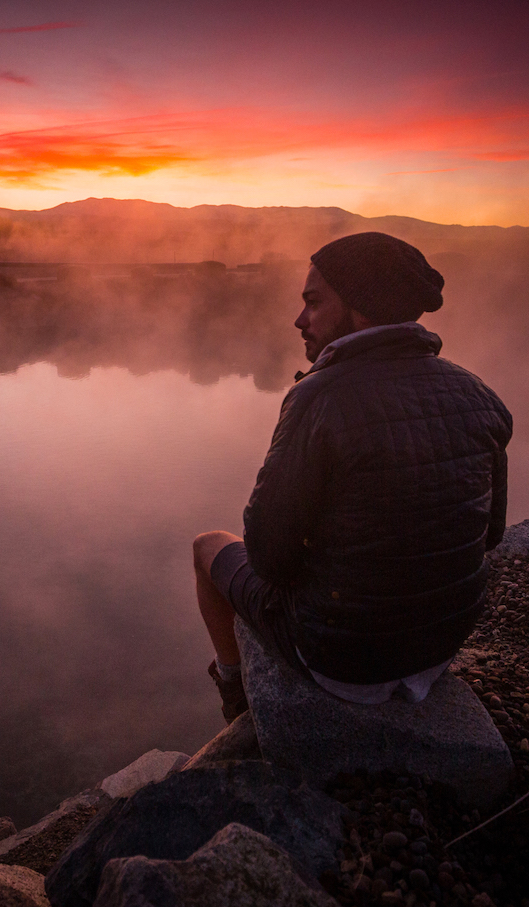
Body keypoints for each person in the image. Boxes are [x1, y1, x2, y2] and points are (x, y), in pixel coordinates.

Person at [193, 232, 511, 722]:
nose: (300, 320)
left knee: (208, 546)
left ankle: (236, 697)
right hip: (441, 644)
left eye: (314, 303)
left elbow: (268, 557)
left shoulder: (320, 397)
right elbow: (488, 536)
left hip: (343, 659)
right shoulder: (479, 393)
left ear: (361, 308)